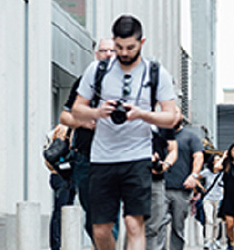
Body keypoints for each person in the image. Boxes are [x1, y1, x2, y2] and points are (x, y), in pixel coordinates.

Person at [71, 15, 179, 250]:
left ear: (142, 42)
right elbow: (77, 110)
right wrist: (98, 113)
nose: (124, 52)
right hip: (102, 158)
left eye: (130, 47)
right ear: (113, 41)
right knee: (100, 229)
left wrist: (142, 114)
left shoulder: (156, 72)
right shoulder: (97, 70)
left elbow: (171, 116)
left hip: (137, 157)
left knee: (133, 224)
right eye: (119, 47)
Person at [53, 38, 116, 249]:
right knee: (92, 215)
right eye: (104, 51)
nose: (108, 54)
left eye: (112, 51)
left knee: (108, 214)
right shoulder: (84, 83)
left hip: (115, 158)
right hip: (85, 157)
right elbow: (65, 116)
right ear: (96, 54)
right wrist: (85, 122)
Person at [165, 117, 204, 250]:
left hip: (181, 188)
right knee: (155, 225)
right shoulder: (159, 135)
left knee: (178, 226)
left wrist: (193, 175)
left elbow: (198, 156)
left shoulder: (191, 137)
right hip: (159, 186)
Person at [145, 114, 180, 250]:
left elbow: (173, 150)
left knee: (155, 225)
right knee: (134, 223)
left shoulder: (164, 123)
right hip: (133, 176)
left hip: (156, 180)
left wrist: (164, 165)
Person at [199, 154, 225, 250]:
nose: (219, 161)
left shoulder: (223, 174)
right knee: (209, 220)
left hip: (219, 199)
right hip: (208, 199)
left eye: (220, 160)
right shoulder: (207, 172)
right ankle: (208, 241)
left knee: (216, 222)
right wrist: (202, 188)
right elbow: (196, 177)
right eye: (217, 159)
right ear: (212, 162)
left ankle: (215, 240)